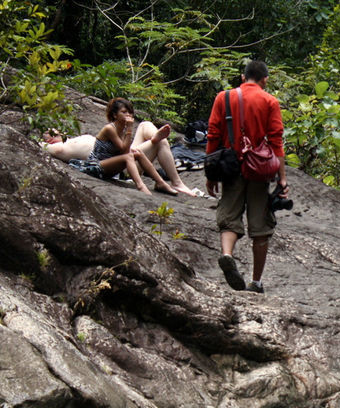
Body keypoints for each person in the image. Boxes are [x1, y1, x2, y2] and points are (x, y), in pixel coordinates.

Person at [205, 60, 289, 294]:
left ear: (243, 78)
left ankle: (227, 254)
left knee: (229, 216)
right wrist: (282, 178)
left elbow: (213, 134)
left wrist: (210, 173)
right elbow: (276, 142)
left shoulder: (224, 97)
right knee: (260, 226)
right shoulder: (269, 101)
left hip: (230, 167)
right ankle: (256, 282)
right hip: (259, 170)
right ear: (265, 80)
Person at [42, 105, 196, 196]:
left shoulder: (72, 138)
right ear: (49, 139)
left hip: (125, 155)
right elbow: (45, 149)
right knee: (160, 142)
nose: (56, 131)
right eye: (51, 133)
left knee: (145, 125)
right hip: (123, 166)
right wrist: (40, 143)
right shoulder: (58, 146)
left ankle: (154, 137)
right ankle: (176, 182)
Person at [85, 98, 179, 196]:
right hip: (97, 166)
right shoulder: (109, 129)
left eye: (130, 113)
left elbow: (125, 151)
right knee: (129, 156)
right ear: (115, 115)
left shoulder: (122, 129)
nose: (128, 115)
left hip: (111, 167)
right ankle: (140, 186)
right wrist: (129, 129)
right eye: (124, 112)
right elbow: (124, 150)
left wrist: (129, 137)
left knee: (138, 153)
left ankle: (160, 182)